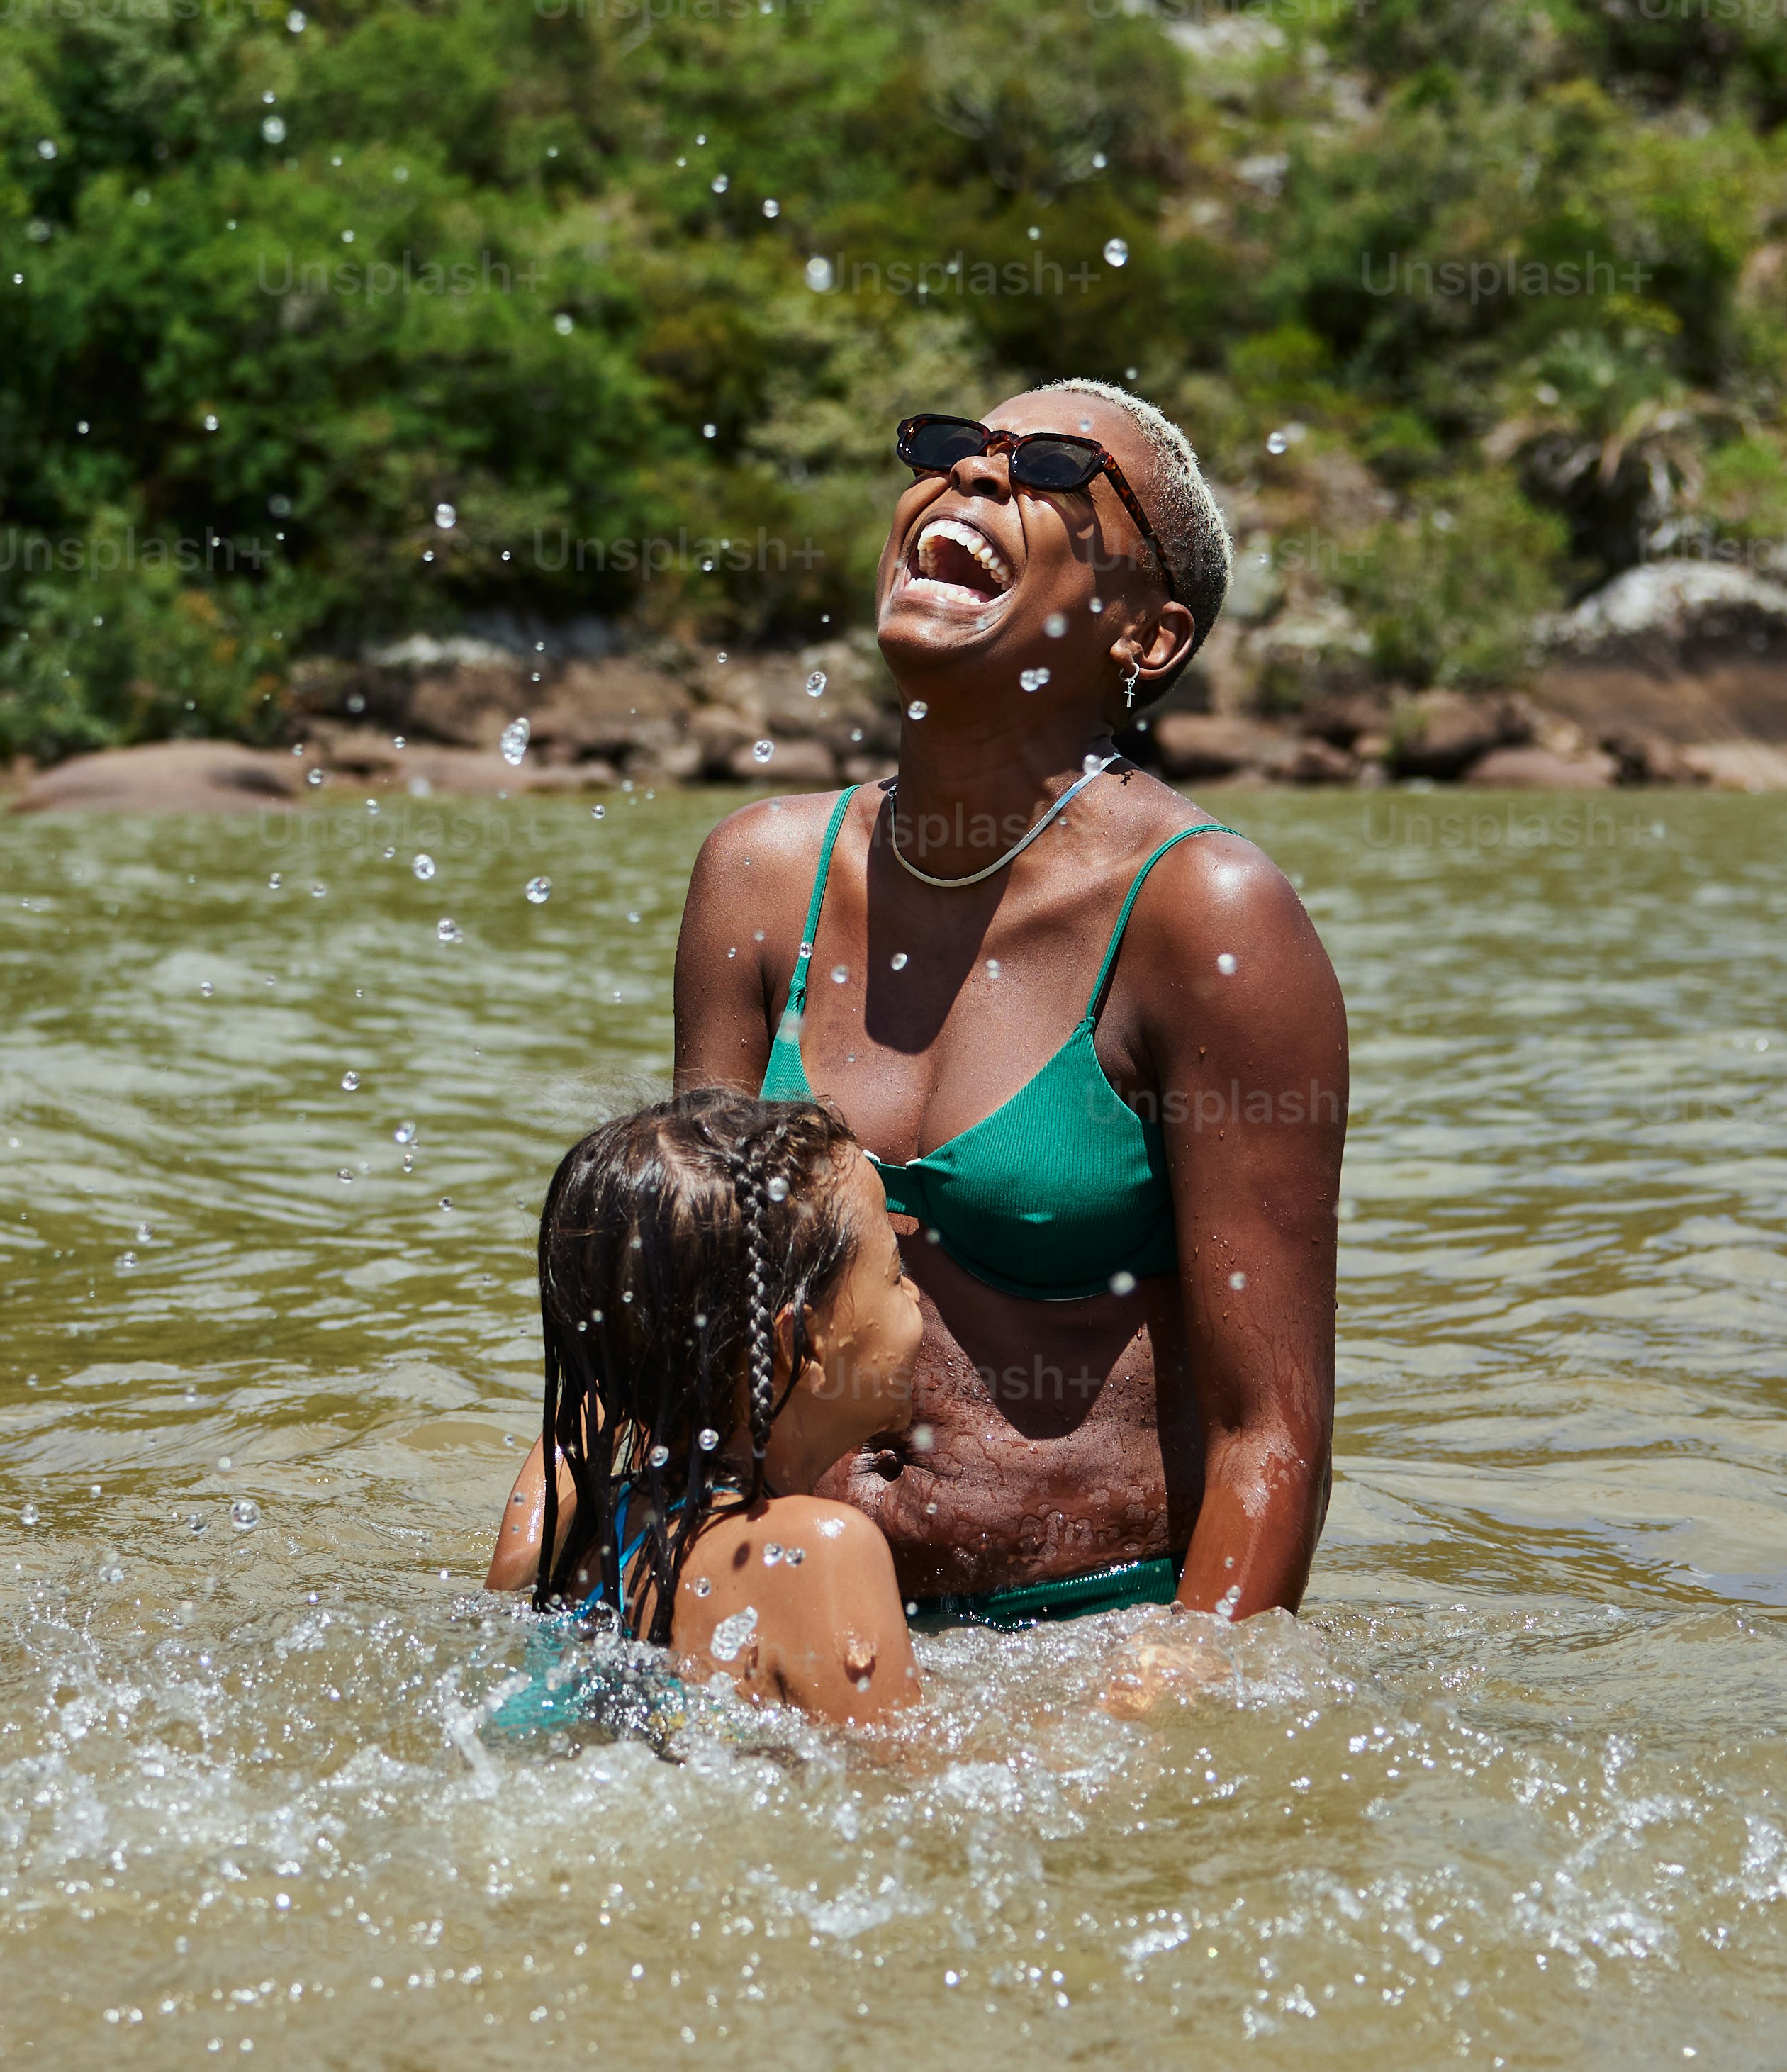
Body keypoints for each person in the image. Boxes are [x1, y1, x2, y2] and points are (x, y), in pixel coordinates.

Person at [669, 382, 1347, 1635]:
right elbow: (686, 1328)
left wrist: (1169, 1706)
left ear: (1148, 636)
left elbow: (1273, 1434)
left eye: (1048, 465)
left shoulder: (1205, 917)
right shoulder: (759, 878)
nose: (976, 477)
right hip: (798, 1613)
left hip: (1082, 1639)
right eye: (943, 446)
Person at [488, 1088, 927, 1728]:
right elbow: (907, 1792)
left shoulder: (606, 1529)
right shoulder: (823, 1549)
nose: (915, 1294)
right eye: (895, 1273)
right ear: (798, 1343)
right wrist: (1117, 1704)